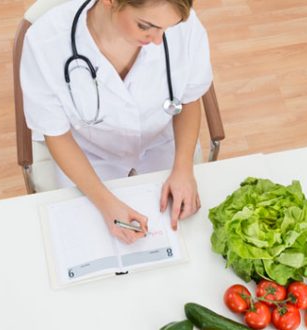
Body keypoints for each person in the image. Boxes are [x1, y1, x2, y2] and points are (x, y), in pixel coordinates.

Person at [20, 0, 212, 244]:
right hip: (89, 155)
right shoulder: (45, 42)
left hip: (163, 144)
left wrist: (183, 169)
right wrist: (106, 203)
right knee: (90, 242)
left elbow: (189, 98)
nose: (157, 40)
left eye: (167, 29)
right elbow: (56, 134)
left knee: (189, 240)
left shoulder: (183, 27)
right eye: (146, 26)